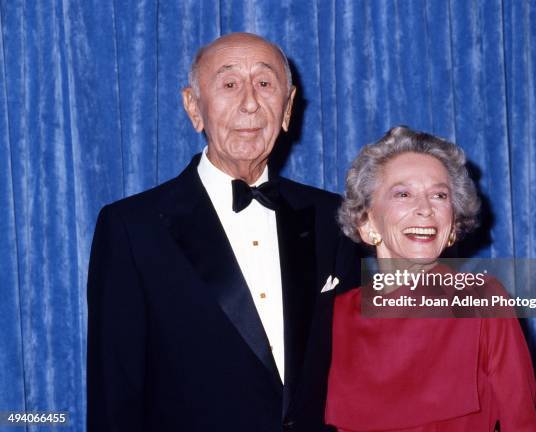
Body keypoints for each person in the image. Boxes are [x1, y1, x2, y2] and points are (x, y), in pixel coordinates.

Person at [87, 32, 360, 432]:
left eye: (265, 84)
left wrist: (480, 288)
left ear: (287, 109)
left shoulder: (334, 216)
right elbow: (115, 395)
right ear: (193, 107)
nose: (249, 102)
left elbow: (392, 333)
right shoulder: (131, 228)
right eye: (229, 84)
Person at [325, 126, 536, 431]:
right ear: (367, 222)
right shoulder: (337, 313)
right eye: (403, 194)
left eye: (439, 195)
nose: (425, 209)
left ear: (452, 224)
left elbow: (521, 423)